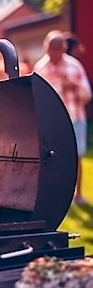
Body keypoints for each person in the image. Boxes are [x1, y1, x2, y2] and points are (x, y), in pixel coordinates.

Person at [34, 29, 92, 205]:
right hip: (52, 120)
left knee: (77, 156)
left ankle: (78, 194)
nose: (54, 53)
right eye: (51, 49)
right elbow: (37, 96)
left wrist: (72, 85)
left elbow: (87, 95)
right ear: (46, 48)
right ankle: (55, 193)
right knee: (50, 157)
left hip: (75, 116)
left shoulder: (74, 66)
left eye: (57, 49)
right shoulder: (40, 68)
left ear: (63, 48)